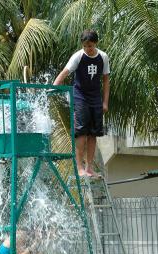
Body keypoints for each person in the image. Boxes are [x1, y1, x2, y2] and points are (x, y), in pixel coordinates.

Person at [53, 29, 110, 178]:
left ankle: (90, 168)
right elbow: (64, 73)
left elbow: (105, 80)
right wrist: (52, 88)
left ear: (95, 44)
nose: (88, 49)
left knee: (93, 133)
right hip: (80, 97)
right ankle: (79, 168)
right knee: (81, 133)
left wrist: (105, 102)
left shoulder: (103, 57)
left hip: (95, 98)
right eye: (85, 46)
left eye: (90, 46)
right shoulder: (78, 57)